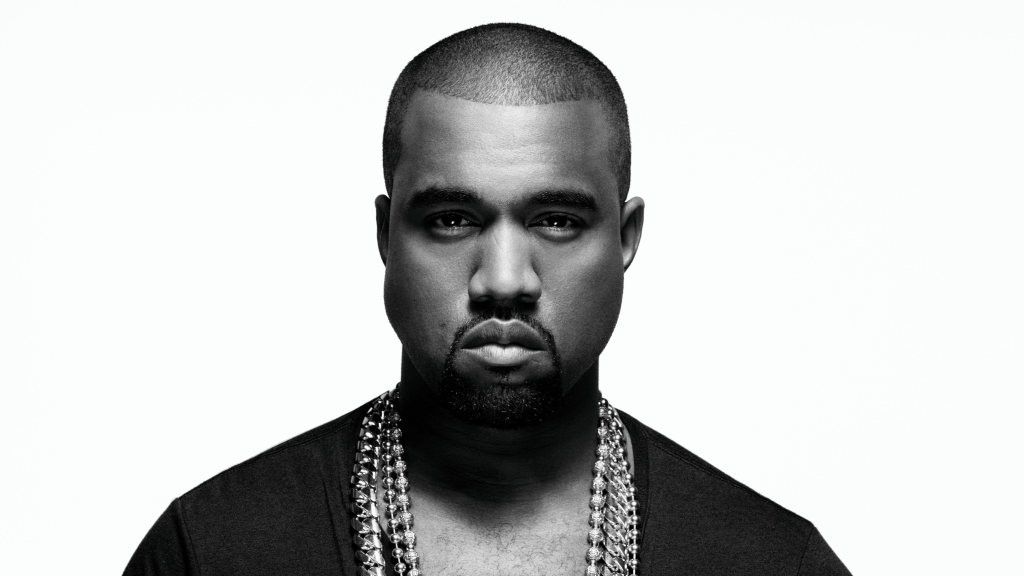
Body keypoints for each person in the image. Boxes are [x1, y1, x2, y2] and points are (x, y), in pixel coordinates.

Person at [124, 23, 851, 576]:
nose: (504, 281)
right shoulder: (212, 551)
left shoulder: (772, 562)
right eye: (452, 220)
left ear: (625, 239)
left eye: (556, 221)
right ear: (385, 236)